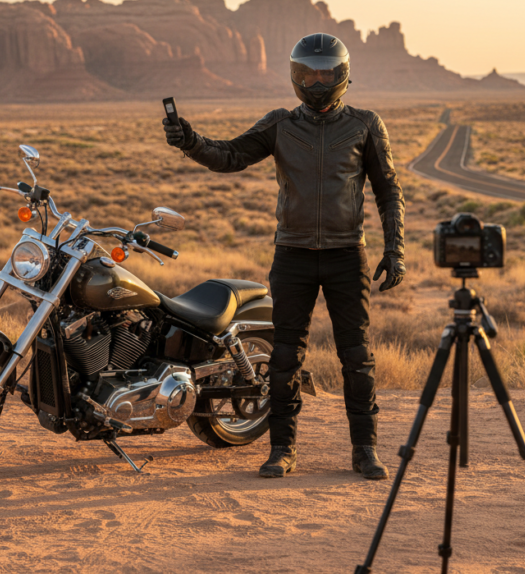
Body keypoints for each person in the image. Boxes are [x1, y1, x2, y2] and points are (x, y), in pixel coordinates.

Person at [162, 33, 405, 480]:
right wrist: (190, 141)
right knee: (285, 357)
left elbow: (389, 191)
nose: (316, 80)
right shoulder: (280, 124)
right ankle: (282, 450)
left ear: (341, 75)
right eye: (308, 72)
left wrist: (396, 249)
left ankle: (365, 450)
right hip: (292, 255)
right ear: (296, 75)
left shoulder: (365, 124)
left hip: (347, 254)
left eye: (325, 72)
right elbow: (230, 156)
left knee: (357, 356)